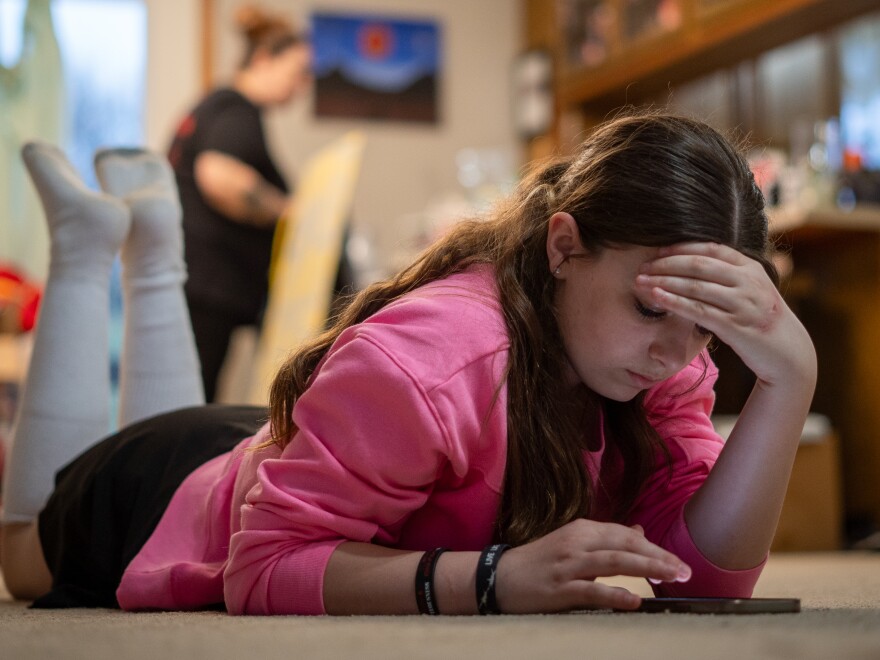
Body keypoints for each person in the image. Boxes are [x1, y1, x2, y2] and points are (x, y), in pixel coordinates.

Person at [0, 111, 817, 615]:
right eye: (651, 308)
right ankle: (86, 248)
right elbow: (263, 565)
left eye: (707, 331)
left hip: (302, 449)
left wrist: (788, 381)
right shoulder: (432, 364)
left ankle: (151, 248)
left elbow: (705, 583)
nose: (679, 356)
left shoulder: (663, 360)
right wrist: (488, 580)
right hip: (165, 491)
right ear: (564, 247)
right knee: (21, 555)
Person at [168, 5, 312, 401]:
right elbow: (218, 175)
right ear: (264, 59)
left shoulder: (215, 106)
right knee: (192, 402)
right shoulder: (237, 111)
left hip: (196, 284)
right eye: (297, 72)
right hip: (209, 289)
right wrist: (289, 213)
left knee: (187, 397)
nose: (300, 86)